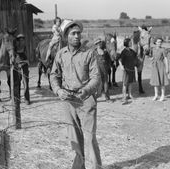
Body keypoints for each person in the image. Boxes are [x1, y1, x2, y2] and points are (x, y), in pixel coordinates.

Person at [50, 20, 102, 169]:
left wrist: (86, 90)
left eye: (79, 33)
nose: (77, 36)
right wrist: (58, 90)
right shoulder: (60, 54)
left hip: (86, 100)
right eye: (73, 33)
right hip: (68, 101)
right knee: (75, 139)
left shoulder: (89, 53)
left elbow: (96, 77)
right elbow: (54, 75)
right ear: (66, 36)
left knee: (90, 138)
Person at [149, 36, 169, 101]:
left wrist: (167, 68)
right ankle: (156, 95)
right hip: (154, 66)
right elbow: (151, 57)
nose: (159, 43)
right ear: (155, 42)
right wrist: (151, 59)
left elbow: (165, 58)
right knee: (155, 81)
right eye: (158, 42)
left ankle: (163, 95)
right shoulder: (153, 49)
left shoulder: (163, 49)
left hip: (161, 66)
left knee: (162, 81)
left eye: (160, 42)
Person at [118, 38, 138, 103]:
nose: (131, 43)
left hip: (132, 69)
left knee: (130, 83)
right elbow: (120, 59)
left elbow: (136, 55)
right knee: (125, 83)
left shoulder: (132, 51)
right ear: (127, 43)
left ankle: (130, 94)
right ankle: (124, 96)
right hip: (126, 69)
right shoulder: (124, 51)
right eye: (130, 42)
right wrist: (121, 66)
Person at [15, 34, 30, 105]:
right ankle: (18, 98)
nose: (22, 42)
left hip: (24, 66)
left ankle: (26, 98)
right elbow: (14, 59)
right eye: (20, 40)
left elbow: (27, 58)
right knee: (17, 83)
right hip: (17, 67)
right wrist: (18, 63)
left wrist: (25, 62)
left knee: (26, 83)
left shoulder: (24, 47)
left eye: (23, 40)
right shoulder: (14, 49)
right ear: (18, 41)